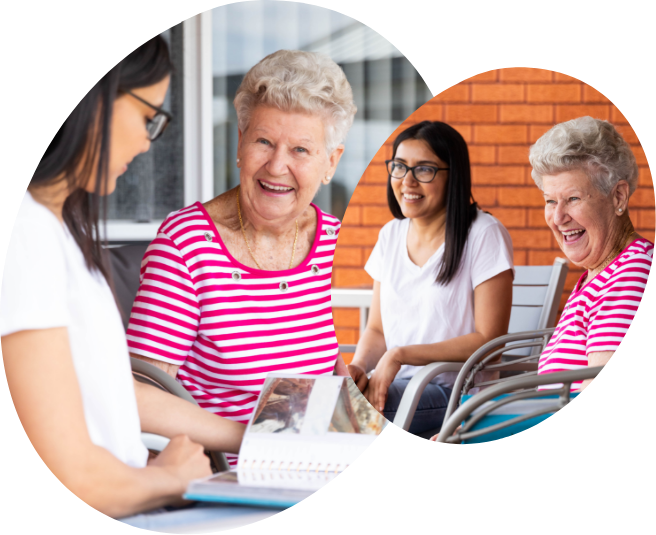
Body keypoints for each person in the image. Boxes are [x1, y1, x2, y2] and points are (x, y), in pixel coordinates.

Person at [0, 36, 245, 519]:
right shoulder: (26, 235)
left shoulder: (57, 231)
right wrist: (171, 477)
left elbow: (109, 393)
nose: (147, 142)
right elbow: (77, 479)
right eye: (147, 115)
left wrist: (251, 434)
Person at [125, 49, 357, 466]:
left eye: (301, 150)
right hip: (228, 477)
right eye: (264, 141)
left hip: (318, 465)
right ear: (240, 142)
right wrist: (255, 440)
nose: (277, 165)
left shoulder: (332, 239)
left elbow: (324, 363)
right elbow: (138, 394)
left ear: (331, 162)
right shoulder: (187, 244)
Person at [347, 121, 515, 435]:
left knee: (339, 411)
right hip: (399, 386)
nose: (407, 181)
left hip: (453, 394)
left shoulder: (483, 234)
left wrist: (400, 355)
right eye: (399, 167)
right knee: (308, 394)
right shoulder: (390, 235)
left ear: (454, 175)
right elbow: (377, 330)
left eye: (424, 169)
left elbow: (489, 341)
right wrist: (358, 366)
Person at [528, 116, 652, 392]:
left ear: (618, 197)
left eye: (573, 199)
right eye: (550, 201)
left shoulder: (630, 275)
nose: (558, 217)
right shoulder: (598, 275)